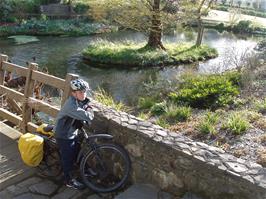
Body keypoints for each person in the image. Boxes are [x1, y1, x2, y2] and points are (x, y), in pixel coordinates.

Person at [54, 79, 94, 190]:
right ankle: (69, 180)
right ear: (73, 93)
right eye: (81, 92)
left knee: (78, 150)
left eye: (85, 91)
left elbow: (85, 102)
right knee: (68, 158)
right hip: (63, 135)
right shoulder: (71, 106)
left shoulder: (77, 100)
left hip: (71, 131)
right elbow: (89, 116)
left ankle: (85, 169)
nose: (84, 94)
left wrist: (86, 103)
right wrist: (89, 108)